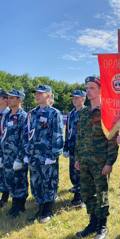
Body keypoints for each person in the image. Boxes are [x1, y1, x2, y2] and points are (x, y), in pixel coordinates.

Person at [74, 76, 118, 239]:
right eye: (87, 88)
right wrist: (78, 158)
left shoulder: (107, 111)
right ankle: (92, 222)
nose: (88, 91)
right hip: (84, 161)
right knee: (87, 193)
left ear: (101, 90)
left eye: (92, 87)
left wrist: (109, 162)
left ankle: (102, 226)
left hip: (100, 162)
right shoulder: (84, 112)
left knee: (102, 194)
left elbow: (112, 140)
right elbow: (80, 136)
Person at [25, 84, 64, 223]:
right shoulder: (32, 113)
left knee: (49, 182)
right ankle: (40, 208)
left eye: (40, 93)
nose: (36, 95)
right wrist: (27, 152)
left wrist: (53, 155)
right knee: (36, 182)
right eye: (36, 93)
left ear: (48, 95)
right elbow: (27, 133)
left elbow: (58, 135)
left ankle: (48, 210)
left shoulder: (54, 113)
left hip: (47, 157)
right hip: (33, 155)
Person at [0, 89, 28, 218]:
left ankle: (19, 205)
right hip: (6, 156)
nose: (9, 100)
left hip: (17, 156)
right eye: (9, 97)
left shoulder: (24, 116)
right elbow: (3, 136)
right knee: (9, 180)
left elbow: (25, 139)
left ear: (19, 100)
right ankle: (14, 203)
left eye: (12, 98)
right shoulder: (6, 115)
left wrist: (20, 158)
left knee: (19, 181)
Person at [63, 90, 86, 207]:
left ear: (83, 99)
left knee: (81, 173)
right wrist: (65, 146)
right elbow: (68, 131)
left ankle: (80, 197)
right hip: (72, 148)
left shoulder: (86, 112)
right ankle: (77, 192)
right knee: (73, 173)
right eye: (73, 98)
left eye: (77, 98)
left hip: (82, 149)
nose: (74, 100)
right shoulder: (71, 113)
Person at [0, 89, 10, 208]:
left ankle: (5, 196)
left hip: (7, 149)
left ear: (4, 99)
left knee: (6, 173)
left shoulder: (9, 114)